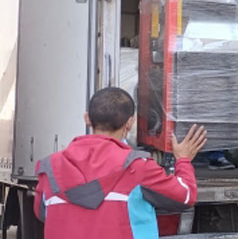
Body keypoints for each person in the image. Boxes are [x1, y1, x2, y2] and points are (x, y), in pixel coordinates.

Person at [34, 87, 206, 239]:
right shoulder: (138, 167)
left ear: (87, 118)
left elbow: (42, 213)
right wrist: (183, 160)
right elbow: (185, 196)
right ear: (130, 123)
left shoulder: (50, 167)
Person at [177, 0, 235, 170]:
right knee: (183, 110)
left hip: (209, 64)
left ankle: (216, 155)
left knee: (213, 108)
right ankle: (178, 156)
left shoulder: (211, 1)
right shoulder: (174, 1)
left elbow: (220, 32)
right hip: (183, 65)